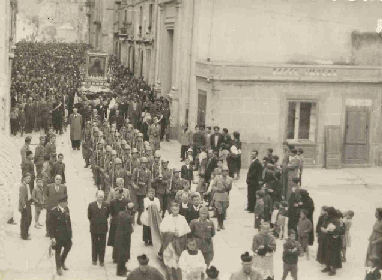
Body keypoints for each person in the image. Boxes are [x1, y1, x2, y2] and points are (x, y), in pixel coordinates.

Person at [160, 202, 191, 280]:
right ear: (171, 209)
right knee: (168, 261)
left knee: (178, 262)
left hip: (179, 243)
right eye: (173, 209)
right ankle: (169, 276)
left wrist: (179, 233)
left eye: (177, 209)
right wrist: (172, 232)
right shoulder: (167, 218)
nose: (175, 210)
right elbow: (162, 229)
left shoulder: (182, 218)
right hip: (169, 243)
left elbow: (187, 230)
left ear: (179, 209)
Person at [49, 195, 72, 276]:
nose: (67, 203)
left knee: (68, 247)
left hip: (66, 235)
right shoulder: (53, 211)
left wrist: (70, 233)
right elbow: (50, 226)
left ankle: (62, 262)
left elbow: (69, 222)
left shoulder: (66, 209)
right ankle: (58, 267)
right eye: (65, 202)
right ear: (60, 203)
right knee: (58, 251)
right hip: (58, 236)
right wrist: (52, 237)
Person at [88, 190, 109, 266]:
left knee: (102, 245)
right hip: (94, 228)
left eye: (102, 197)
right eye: (99, 197)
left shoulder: (106, 205)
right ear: (96, 197)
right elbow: (89, 216)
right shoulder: (91, 205)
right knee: (94, 244)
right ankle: (94, 259)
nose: (101, 198)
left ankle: (101, 260)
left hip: (103, 228)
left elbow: (107, 215)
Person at [108, 188, 129, 263]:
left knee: (123, 241)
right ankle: (115, 257)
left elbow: (130, 212)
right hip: (115, 224)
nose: (115, 195)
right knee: (115, 241)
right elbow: (110, 212)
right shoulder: (112, 202)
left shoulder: (126, 201)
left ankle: (123, 257)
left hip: (124, 224)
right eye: (115, 194)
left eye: (117, 194)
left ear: (121, 194)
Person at [321, 207, 343, 276]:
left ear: (331, 213)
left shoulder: (336, 220)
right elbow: (323, 225)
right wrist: (323, 228)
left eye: (328, 213)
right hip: (327, 239)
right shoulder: (327, 218)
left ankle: (333, 269)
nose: (326, 214)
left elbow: (338, 231)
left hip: (334, 240)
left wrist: (328, 231)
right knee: (327, 253)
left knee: (333, 254)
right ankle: (328, 266)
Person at [115, 202, 135, 276]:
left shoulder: (121, 213)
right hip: (125, 238)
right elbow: (131, 230)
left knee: (122, 254)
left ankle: (123, 268)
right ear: (132, 210)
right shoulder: (129, 217)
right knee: (123, 255)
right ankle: (120, 272)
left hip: (119, 237)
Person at [19, 173, 33, 240]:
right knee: (26, 220)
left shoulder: (27, 185)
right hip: (25, 205)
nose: (29, 179)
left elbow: (28, 194)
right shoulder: (22, 186)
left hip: (28, 203)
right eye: (27, 178)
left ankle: (23, 233)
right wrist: (24, 206)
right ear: (24, 178)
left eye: (29, 178)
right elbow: (21, 198)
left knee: (28, 219)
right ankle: (24, 235)